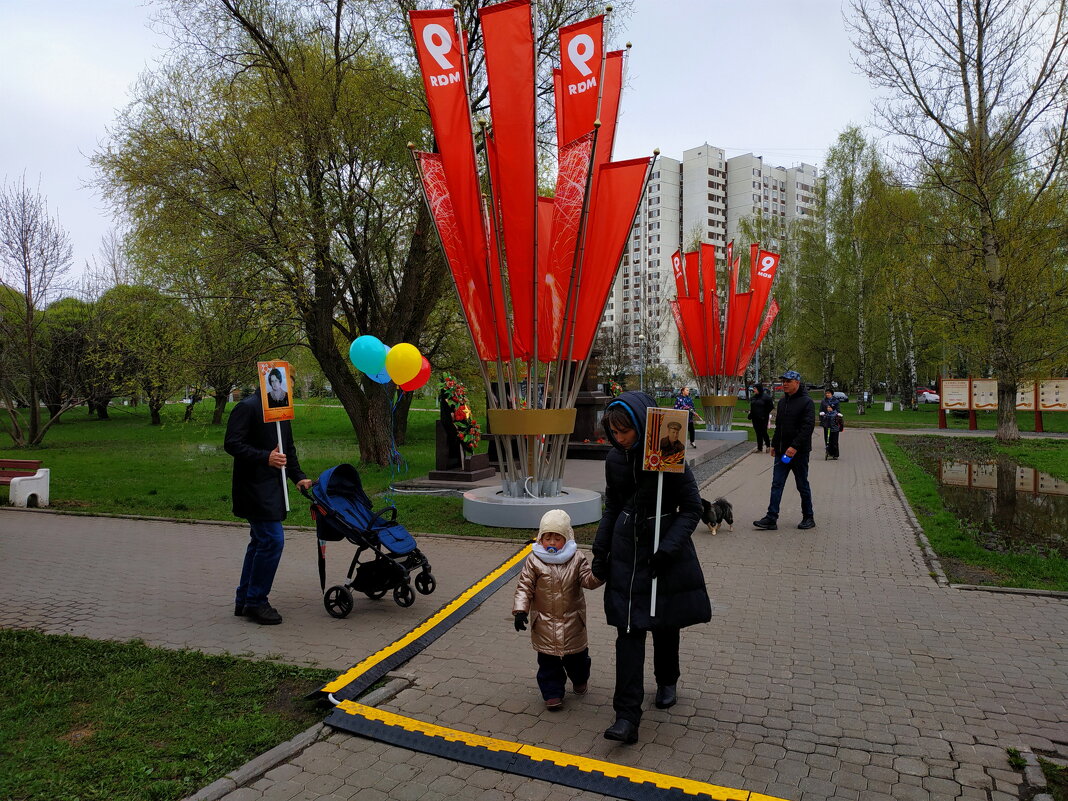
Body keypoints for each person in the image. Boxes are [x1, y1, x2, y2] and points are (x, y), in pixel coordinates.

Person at [592, 391, 712, 744]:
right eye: (613, 431)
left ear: (642, 425)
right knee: (628, 631)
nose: (619, 437)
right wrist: (600, 552)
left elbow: (692, 508)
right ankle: (626, 716)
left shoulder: (668, 455)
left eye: (625, 430)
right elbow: (612, 506)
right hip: (627, 555)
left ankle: (667, 678)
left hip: (662, 553)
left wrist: (667, 548)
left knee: (663, 623)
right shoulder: (614, 459)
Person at [225, 386, 313, 624]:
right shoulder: (248, 407)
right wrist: (265, 457)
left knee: (260, 542)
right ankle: (256, 601)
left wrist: (298, 477)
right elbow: (232, 443)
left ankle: (244, 599)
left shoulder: (280, 411)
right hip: (253, 488)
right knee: (273, 540)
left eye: (291, 385)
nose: (289, 389)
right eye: (288, 383)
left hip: (273, 488)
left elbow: (287, 450)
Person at [512, 509, 603, 711]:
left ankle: (580, 678)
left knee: (577, 660)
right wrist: (520, 611)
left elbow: (588, 581)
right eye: (547, 537)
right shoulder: (534, 560)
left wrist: (600, 571)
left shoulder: (577, 558)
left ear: (567, 538)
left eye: (557, 538)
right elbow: (524, 586)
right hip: (544, 623)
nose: (551, 543)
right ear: (540, 538)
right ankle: (552, 693)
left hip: (573, 622)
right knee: (548, 663)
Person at [753, 370, 815, 531]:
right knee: (777, 484)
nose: (785, 384)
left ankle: (808, 517)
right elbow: (779, 425)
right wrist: (774, 444)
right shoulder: (782, 402)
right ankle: (771, 518)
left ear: (797, 383)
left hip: (798, 453)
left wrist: (794, 447)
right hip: (782, 453)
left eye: (788, 381)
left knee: (802, 485)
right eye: (783, 381)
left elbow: (807, 427)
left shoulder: (806, 402)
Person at [747, 384, 773, 452]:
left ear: (759, 389)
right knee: (758, 433)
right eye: (753, 388)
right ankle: (759, 448)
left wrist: (764, 414)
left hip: (763, 418)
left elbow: (770, 407)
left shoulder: (766, 397)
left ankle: (768, 446)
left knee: (764, 432)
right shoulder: (753, 398)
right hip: (755, 418)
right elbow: (753, 407)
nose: (754, 390)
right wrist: (750, 415)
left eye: (755, 388)